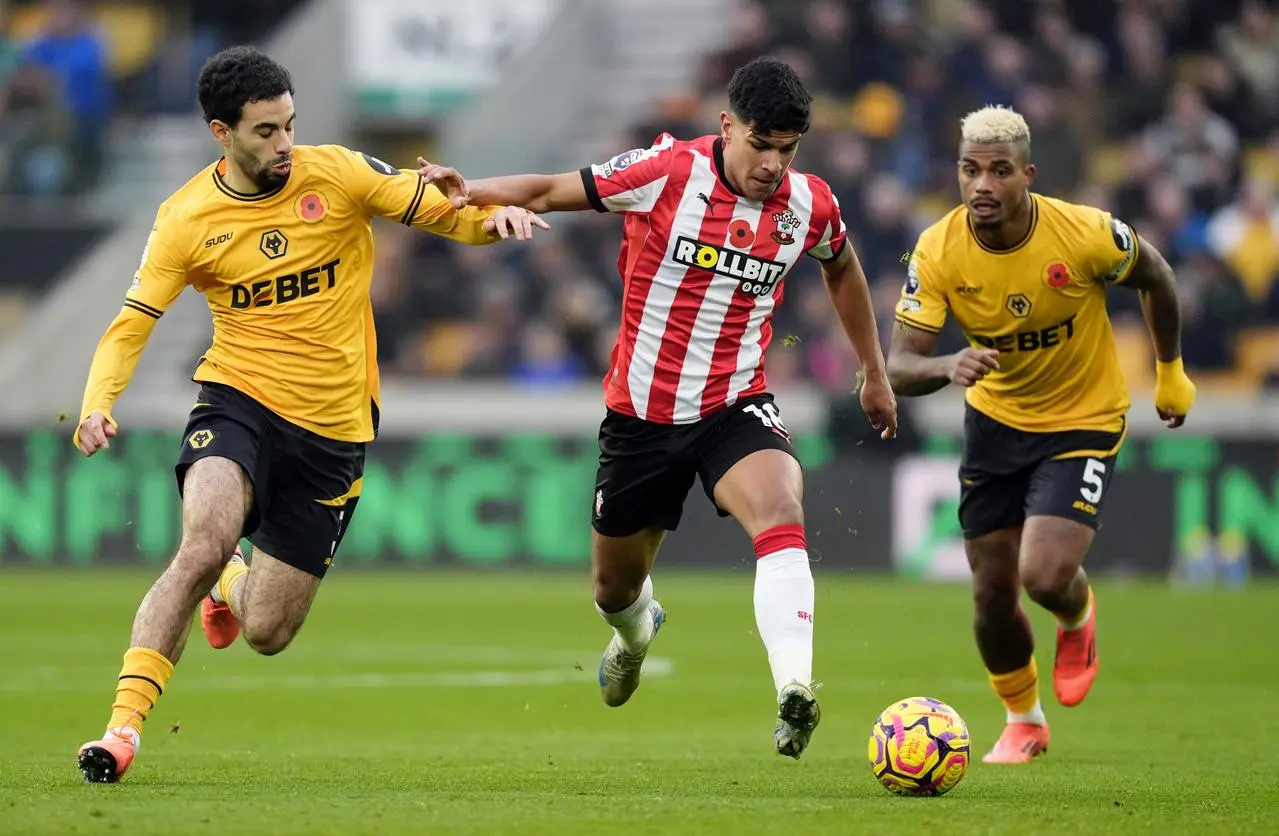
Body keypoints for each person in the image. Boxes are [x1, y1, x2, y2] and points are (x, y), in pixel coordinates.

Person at [73, 46, 544, 784]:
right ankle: (121, 730)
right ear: (220, 134)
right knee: (201, 543)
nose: (284, 143)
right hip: (238, 401)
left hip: (334, 429)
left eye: (290, 125)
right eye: (265, 131)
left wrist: (496, 222)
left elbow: (445, 213)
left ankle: (233, 584)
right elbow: (134, 321)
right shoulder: (187, 219)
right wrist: (98, 403)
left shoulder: (340, 173)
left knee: (266, 632)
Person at [417, 57, 898, 759]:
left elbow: (842, 265)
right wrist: (471, 190)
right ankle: (635, 631)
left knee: (781, 512)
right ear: (726, 125)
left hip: (735, 405)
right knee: (614, 588)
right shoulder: (666, 172)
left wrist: (873, 371)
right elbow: (553, 189)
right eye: (760, 144)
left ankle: (794, 687)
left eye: (786, 150)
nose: (771, 164)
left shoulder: (809, 204)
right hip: (641, 418)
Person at [886, 105, 1197, 764]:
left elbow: (1157, 277)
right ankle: (1022, 720)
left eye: (998, 171)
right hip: (996, 422)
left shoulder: (1083, 234)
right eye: (969, 170)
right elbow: (899, 366)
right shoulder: (938, 248)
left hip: (1082, 417)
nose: (981, 186)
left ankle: (1075, 614)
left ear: (1026, 174)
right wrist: (946, 364)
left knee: (1043, 575)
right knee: (990, 592)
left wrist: (1169, 372)